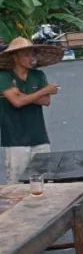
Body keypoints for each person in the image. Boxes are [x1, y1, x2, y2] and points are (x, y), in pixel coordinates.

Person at [0, 37, 62, 181]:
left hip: (39, 136)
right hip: (15, 140)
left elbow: (46, 101)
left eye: (32, 54)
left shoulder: (38, 75)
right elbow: (17, 102)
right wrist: (44, 90)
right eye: (26, 55)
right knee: (17, 183)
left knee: (46, 180)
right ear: (15, 57)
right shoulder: (4, 76)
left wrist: (22, 95)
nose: (31, 58)